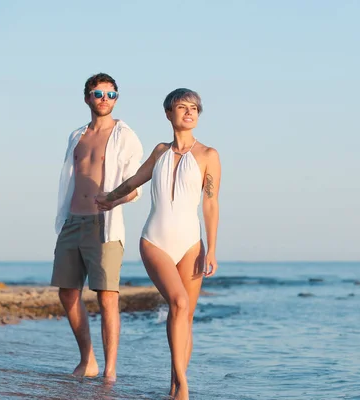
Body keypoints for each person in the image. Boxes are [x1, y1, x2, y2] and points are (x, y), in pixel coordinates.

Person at [96, 88, 221, 400]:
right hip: (155, 241)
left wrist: (212, 248)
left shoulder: (208, 155)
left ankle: (173, 387)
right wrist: (110, 199)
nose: (189, 113)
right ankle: (183, 385)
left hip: (192, 244)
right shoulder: (160, 151)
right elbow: (135, 180)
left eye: (194, 108)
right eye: (182, 107)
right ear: (169, 114)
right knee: (178, 303)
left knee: (184, 315)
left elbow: (210, 204)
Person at [51, 73, 144, 383]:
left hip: (104, 224)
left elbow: (136, 185)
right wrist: (65, 218)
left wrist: (115, 199)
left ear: (116, 98)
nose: (104, 98)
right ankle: (87, 359)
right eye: (98, 93)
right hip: (72, 220)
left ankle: (110, 370)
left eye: (110, 94)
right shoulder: (76, 136)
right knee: (67, 293)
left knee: (107, 296)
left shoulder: (125, 135)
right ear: (87, 98)